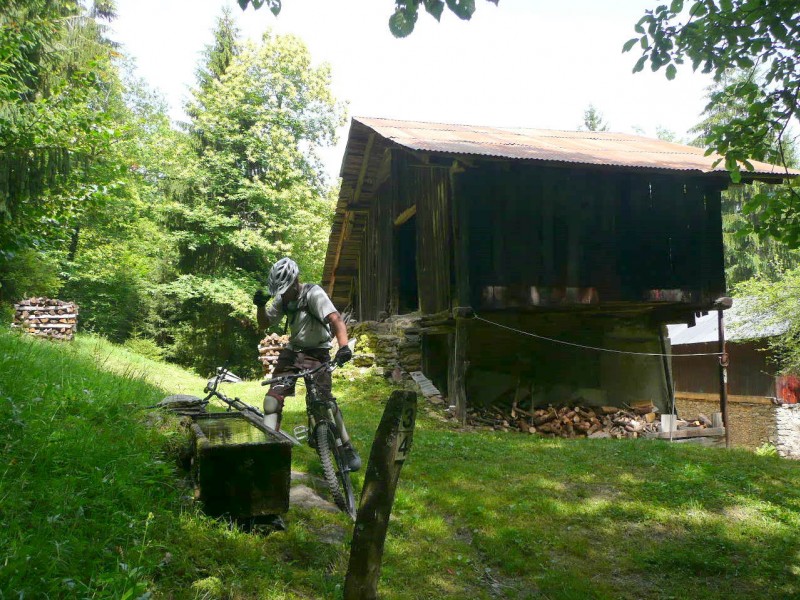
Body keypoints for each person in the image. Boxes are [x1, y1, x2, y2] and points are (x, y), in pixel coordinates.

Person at [253, 257, 361, 471]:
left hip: (317, 352)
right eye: (280, 291)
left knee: (324, 403)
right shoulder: (283, 299)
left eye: (286, 289)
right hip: (293, 352)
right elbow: (264, 323)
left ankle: (346, 447)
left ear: (295, 281)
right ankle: (268, 450)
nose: (283, 294)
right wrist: (260, 305)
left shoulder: (313, 293)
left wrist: (344, 346)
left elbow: (336, 319)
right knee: (271, 402)